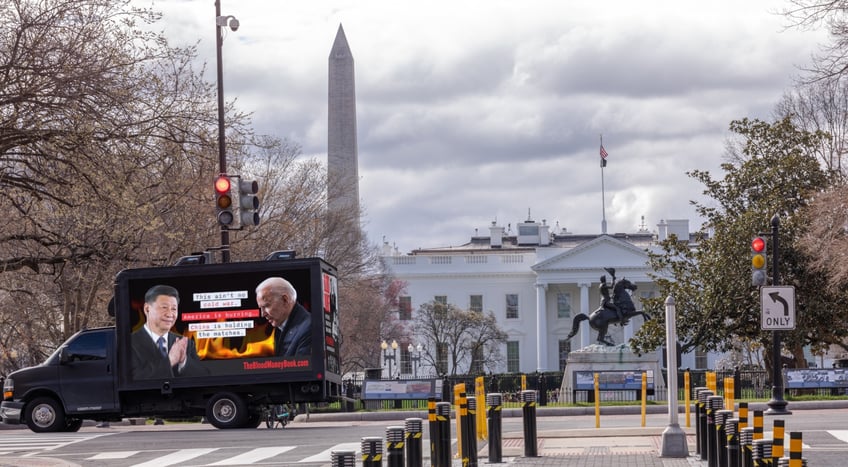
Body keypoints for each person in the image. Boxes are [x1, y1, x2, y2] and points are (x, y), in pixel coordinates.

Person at [131, 284, 208, 380]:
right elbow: (134, 379)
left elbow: (204, 377)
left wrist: (183, 361)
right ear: (147, 309)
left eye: (174, 309)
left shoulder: (185, 343)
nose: (170, 314)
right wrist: (170, 360)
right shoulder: (129, 343)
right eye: (164, 307)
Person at [256, 277, 312, 356]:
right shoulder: (280, 327)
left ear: (285, 300)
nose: (263, 314)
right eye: (261, 308)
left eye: (266, 306)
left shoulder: (309, 328)